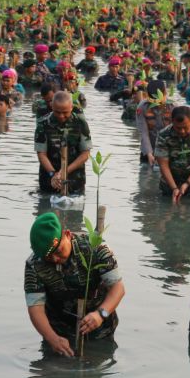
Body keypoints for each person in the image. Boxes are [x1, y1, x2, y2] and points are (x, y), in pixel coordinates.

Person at [24, 212, 125, 357]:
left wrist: (100, 314)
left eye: (58, 251)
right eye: (48, 258)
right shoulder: (34, 265)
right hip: (58, 331)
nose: (55, 259)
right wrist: (52, 338)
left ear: (67, 234)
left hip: (100, 329)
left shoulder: (96, 248)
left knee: (96, 371)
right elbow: (35, 307)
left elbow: (118, 288)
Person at [34, 91, 91, 194]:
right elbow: (41, 154)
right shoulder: (43, 124)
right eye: (57, 112)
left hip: (75, 178)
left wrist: (63, 172)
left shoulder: (81, 123)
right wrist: (54, 174)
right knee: (46, 206)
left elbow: (85, 154)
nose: (61, 116)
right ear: (52, 107)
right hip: (49, 177)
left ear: (71, 108)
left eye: (65, 112)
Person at [154, 105, 190, 201]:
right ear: (172, 122)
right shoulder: (163, 135)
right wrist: (174, 188)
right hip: (168, 186)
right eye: (178, 128)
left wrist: (187, 183)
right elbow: (163, 165)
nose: (182, 131)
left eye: (185, 127)